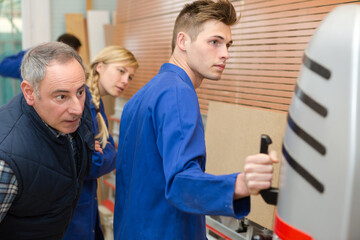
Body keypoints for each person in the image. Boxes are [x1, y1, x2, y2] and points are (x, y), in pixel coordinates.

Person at [113, 0, 278, 239]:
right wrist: (241, 184)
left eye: (228, 45)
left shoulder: (139, 98)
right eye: (214, 42)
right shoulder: (178, 93)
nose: (225, 54)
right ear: (183, 41)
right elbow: (181, 182)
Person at [0, 42, 94, 239]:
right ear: (29, 92)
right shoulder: (6, 159)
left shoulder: (72, 111)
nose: (77, 108)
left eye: (80, 91)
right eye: (61, 96)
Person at [63, 46, 139, 240]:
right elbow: (92, 163)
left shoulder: (96, 103)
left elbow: (99, 154)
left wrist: (105, 152)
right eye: (121, 71)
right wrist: (111, 153)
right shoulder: (84, 103)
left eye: (130, 77)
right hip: (71, 212)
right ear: (100, 67)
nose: (125, 81)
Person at [0, 33, 82, 80]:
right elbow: (3, 67)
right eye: (76, 53)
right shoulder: (38, 60)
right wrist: (29, 53)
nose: (76, 56)